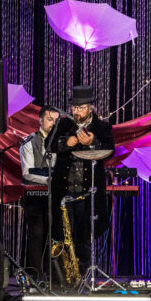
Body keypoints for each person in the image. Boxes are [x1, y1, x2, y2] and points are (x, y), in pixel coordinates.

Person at [46, 85, 114, 274]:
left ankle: (83, 277)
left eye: (81, 108)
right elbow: (48, 145)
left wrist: (93, 143)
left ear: (90, 108)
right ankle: (62, 279)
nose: (76, 112)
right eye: (74, 108)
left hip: (88, 194)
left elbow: (110, 150)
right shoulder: (64, 125)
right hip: (64, 192)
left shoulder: (101, 127)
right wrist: (66, 143)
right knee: (62, 236)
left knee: (85, 238)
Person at [19, 105, 59, 280]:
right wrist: (50, 181)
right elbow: (27, 173)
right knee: (37, 235)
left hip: (55, 197)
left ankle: (54, 277)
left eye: (56, 120)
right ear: (40, 120)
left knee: (55, 235)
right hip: (35, 197)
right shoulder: (28, 142)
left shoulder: (61, 142)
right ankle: (34, 276)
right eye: (50, 119)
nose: (53, 123)